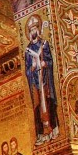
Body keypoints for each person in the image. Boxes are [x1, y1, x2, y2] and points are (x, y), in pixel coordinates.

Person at [24, 15, 58, 143]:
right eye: (31, 30)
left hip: (45, 78)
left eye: (35, 29)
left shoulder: (44, 44)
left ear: (38, 30)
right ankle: (41, 133)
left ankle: (53, 128)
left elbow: (49, 60)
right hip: (35, 81)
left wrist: (46, 63)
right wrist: (31, 68)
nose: (33, 31)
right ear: (29, 32)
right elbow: (27, 69)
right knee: (38, 106)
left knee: (48, 102)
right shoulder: (27, 50)